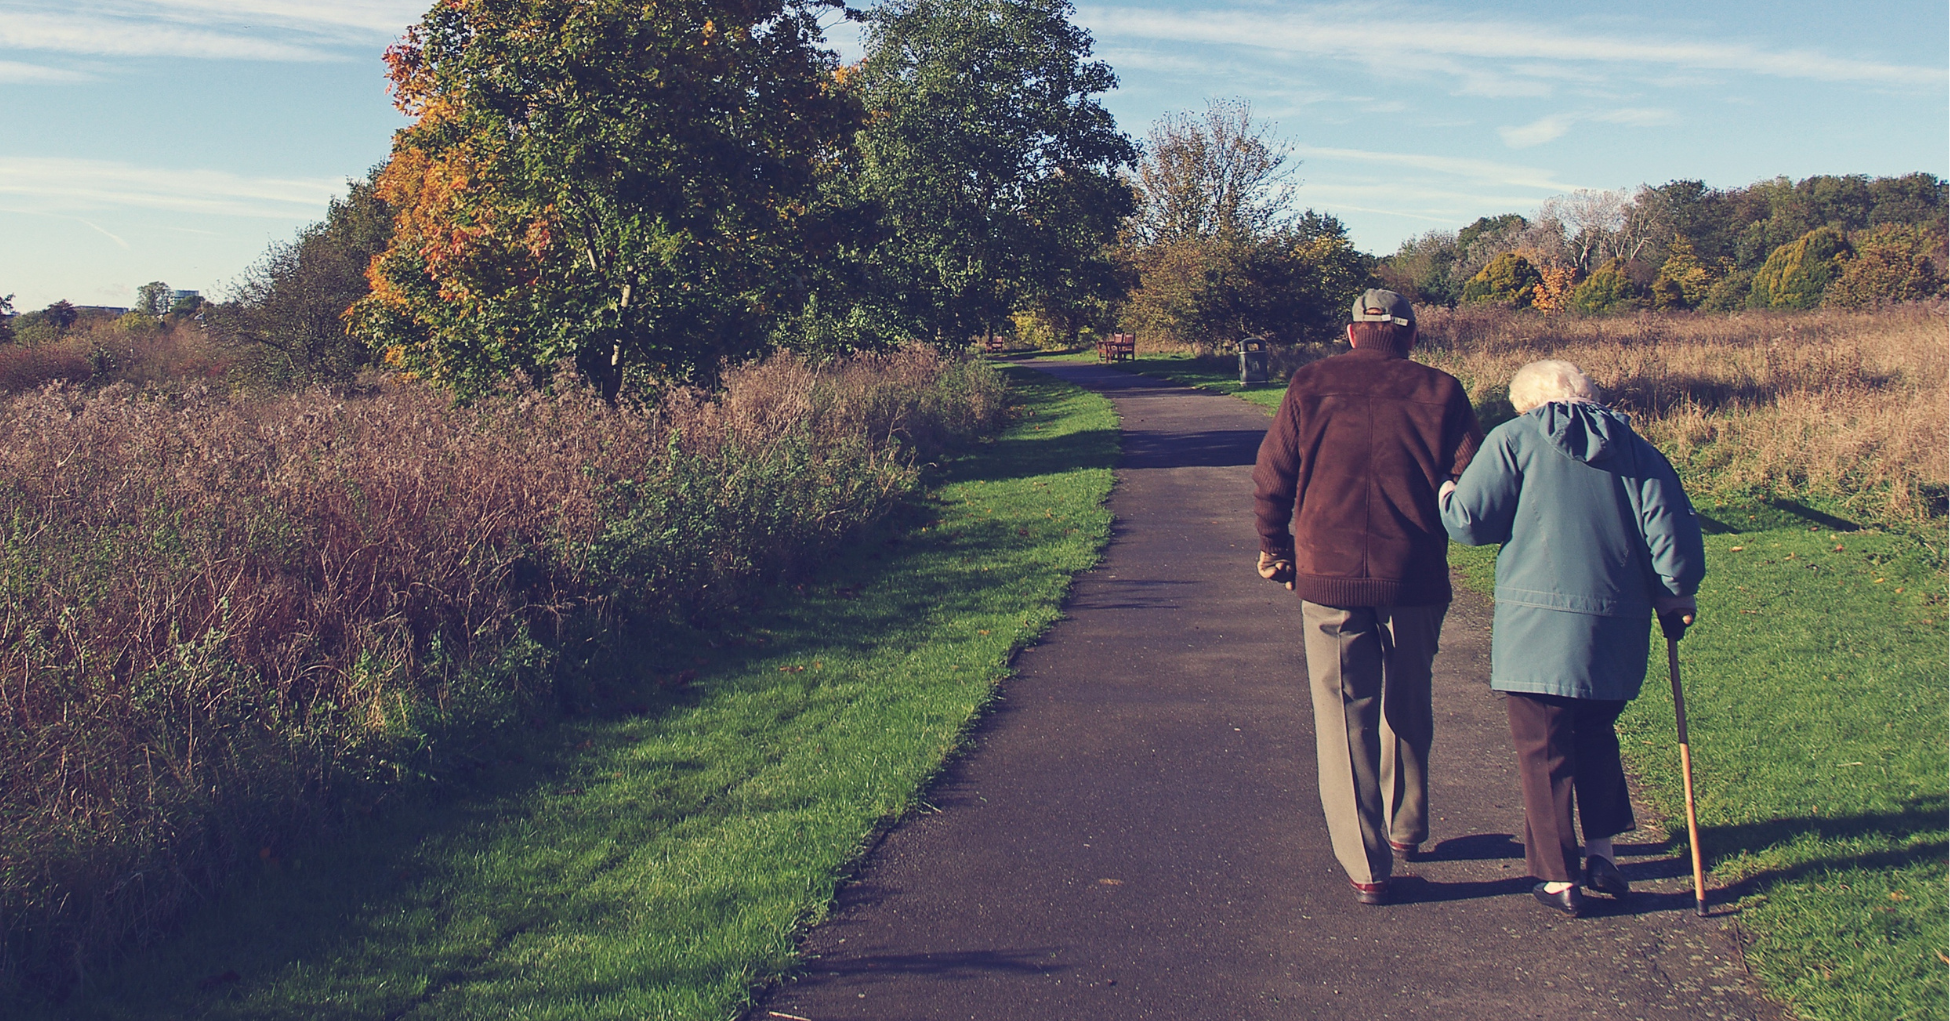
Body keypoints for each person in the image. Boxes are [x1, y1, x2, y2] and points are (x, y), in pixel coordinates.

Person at [1438, 359, 1705, 917]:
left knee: (1544, 748)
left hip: (1537, 627)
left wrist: (1446, 491)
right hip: (1616, 627)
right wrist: (1677, 594)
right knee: (1596, 735)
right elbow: (1672, 539)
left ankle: (1558, 876)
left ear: (1527, 403)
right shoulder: (1638, 449)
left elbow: (1470, 522)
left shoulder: (1514, 439)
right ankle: (1602, 854)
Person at [1252, 289, 1484, 905]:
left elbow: (1272, 477)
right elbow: (1473, 482)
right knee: (1409, 698)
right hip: (1414, 573)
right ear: (1411, 335)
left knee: (1342, 714)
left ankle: (1366, 865)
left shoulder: (1310, 384)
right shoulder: (1442, 391)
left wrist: (1275, 547)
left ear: (1353, 333)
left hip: (1328, 573)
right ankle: (1406, 826)